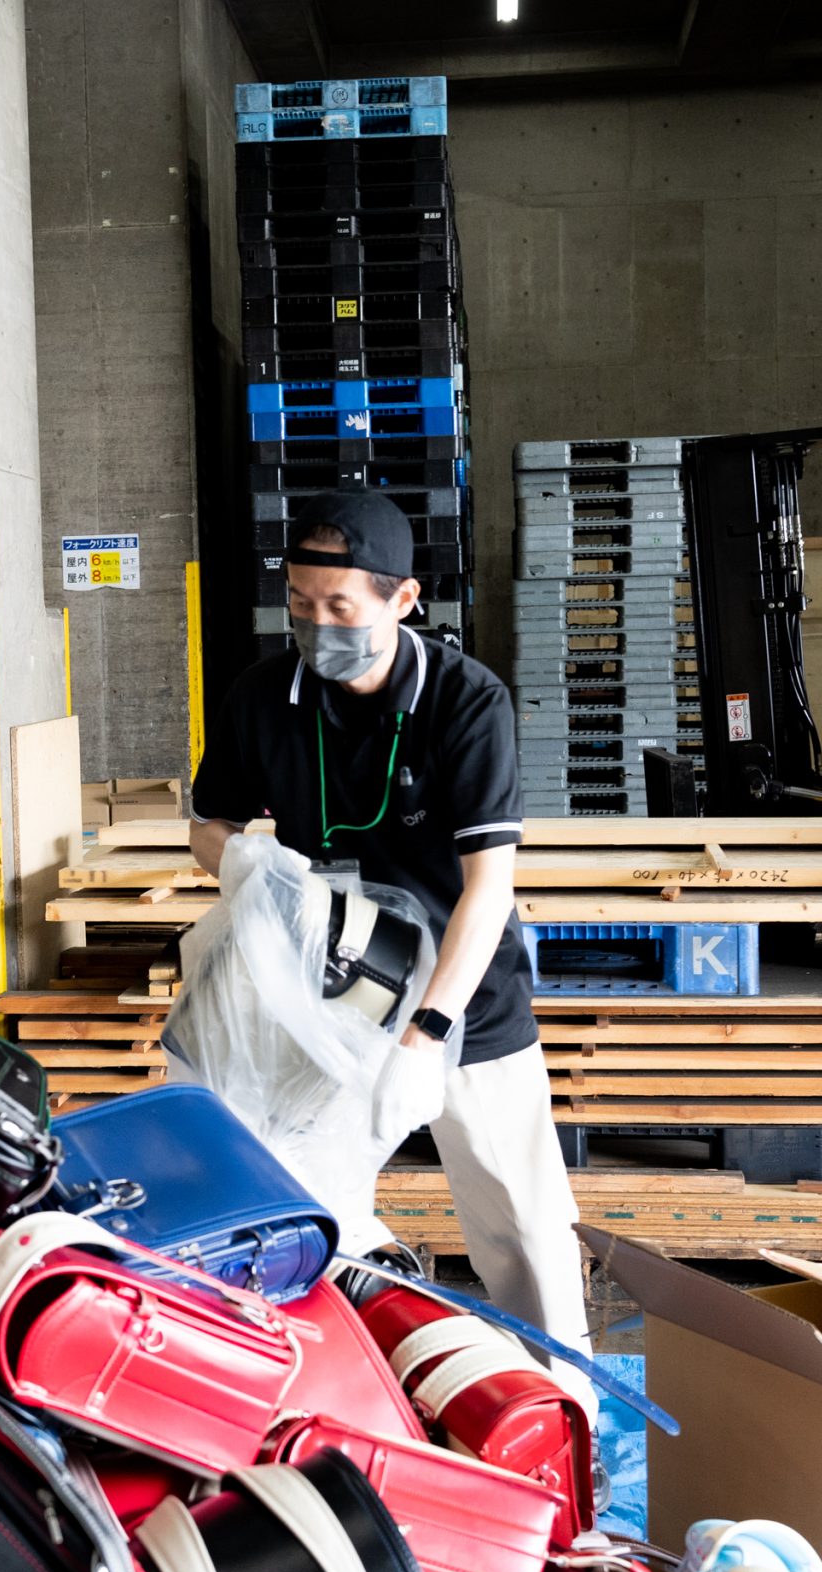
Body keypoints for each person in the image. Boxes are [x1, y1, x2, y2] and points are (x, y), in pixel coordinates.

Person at [188, 490, 593, 1377]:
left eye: (340, 607)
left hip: (463, 995)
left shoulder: (465, 702)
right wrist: (244, 863)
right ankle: (333, 1386)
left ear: (403, 599)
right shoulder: (262, 696)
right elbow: (208, 823)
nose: (315, 624)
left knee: (524, 1230)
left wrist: (427, 1035)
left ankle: (567, 1409)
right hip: (327, 993)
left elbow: (488, 887)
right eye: (300, 601)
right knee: (304, 1201)